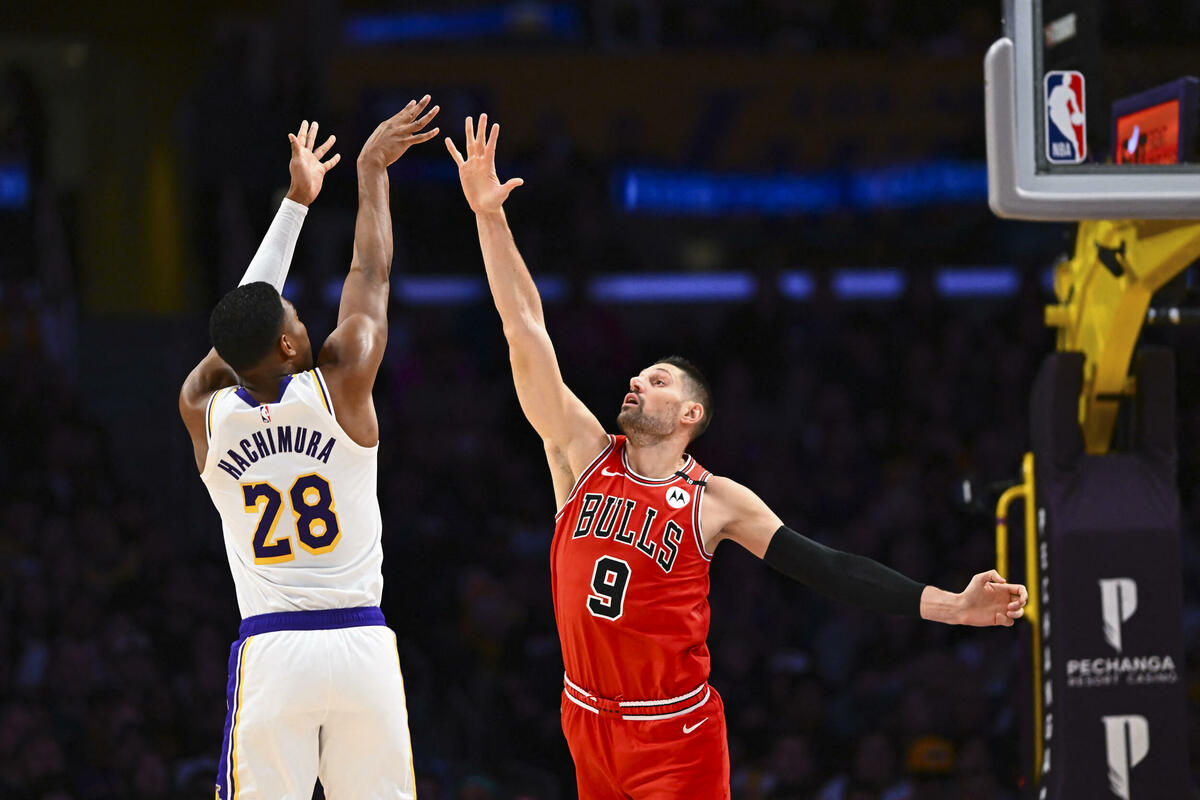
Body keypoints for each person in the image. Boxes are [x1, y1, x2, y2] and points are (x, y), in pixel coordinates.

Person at [445, 115, 1029, 800]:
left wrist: (951, 606)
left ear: (689, 415)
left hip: (674, 733)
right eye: (639, 375)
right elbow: (525, 330)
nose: (636, 381)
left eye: (658, 380)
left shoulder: (715, 500)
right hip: (585, 718)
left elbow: (828, 567)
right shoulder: (582, 455)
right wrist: (490, 218)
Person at [179, 99, 440, 798]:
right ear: (290, 345)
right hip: (361, 650)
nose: (302, 316)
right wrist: (370, 171)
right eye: (295, 316)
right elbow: (370, 276)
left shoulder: (203, 411)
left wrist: (295, 205)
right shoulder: (343, 383)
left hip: (274, 653)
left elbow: (240, 323)